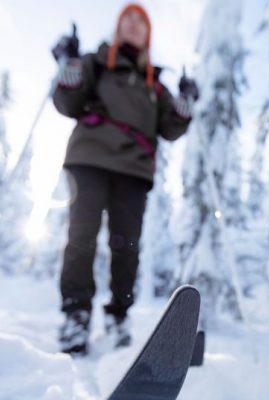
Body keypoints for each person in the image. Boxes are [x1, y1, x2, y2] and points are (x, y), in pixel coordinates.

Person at [52, 3, 199, 355]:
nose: (133, 26)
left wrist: (186, 100)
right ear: (118, 28)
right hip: (90, 157)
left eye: (140, 22)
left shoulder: (155, 85)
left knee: (126, 244)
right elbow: (67, 103)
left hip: (134, 168)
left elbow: (171, 128)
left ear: (148, 33)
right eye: (127, 20)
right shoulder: (96, 63)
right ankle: (76, 314)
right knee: (81, 237)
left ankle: (119, 313)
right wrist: (68, 63)